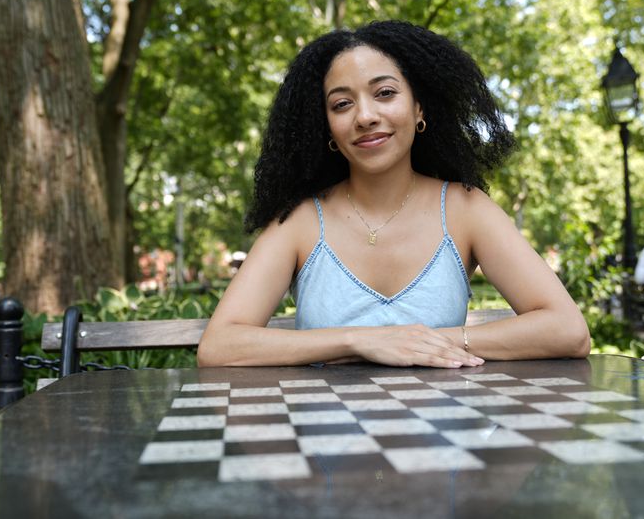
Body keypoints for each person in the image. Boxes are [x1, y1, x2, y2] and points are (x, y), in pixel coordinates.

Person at [198, 21, 589, 368]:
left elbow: (568, 331)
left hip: (440, 445)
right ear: (328, 128)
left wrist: (423, 343)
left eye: (384, 93)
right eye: (342, 103)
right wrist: (362, 340)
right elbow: (219, 346)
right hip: (324, 441)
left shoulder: (465, 209)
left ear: (419, 108)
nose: (365, 116)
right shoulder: (300, 221)